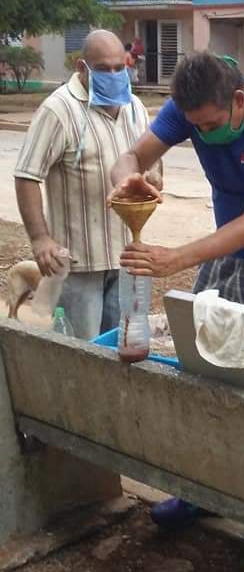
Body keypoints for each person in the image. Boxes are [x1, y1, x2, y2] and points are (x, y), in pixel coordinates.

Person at [110, 52, 244, 561]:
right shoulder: (189, 109)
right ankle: (202, 490)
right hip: (224, 253)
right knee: (205, 372)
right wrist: (127, 179)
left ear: (238, 99)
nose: (202, 133)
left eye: (210, 124)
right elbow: (130, 156)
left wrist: (176, 259)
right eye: (193, 127)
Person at [14, 30, 160, 341]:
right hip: (80, 264)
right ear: (82, 68)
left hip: (126, 258)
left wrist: (155, 175)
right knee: (83, 351)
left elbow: (150, 158)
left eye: (120, 68)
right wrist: (40, 239)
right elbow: (27, 174)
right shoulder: (59, 110)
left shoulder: (134, 106)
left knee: (123, 346)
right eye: (104, 69)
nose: (114, 75)